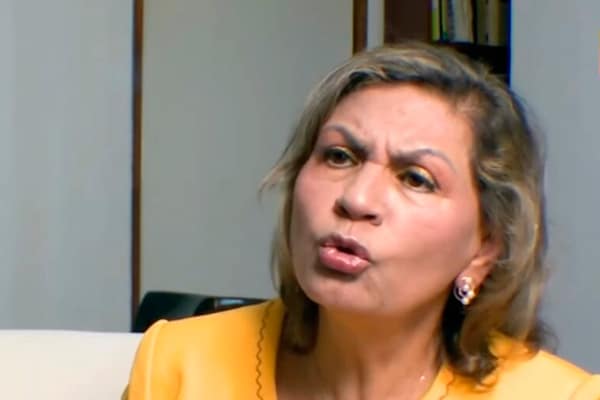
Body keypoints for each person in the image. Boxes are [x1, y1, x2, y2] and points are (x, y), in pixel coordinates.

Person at [123, 42, 600, 399]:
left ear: (485, 246)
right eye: (339, 156)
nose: (356, 198)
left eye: (416, 179)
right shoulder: (176, 363)